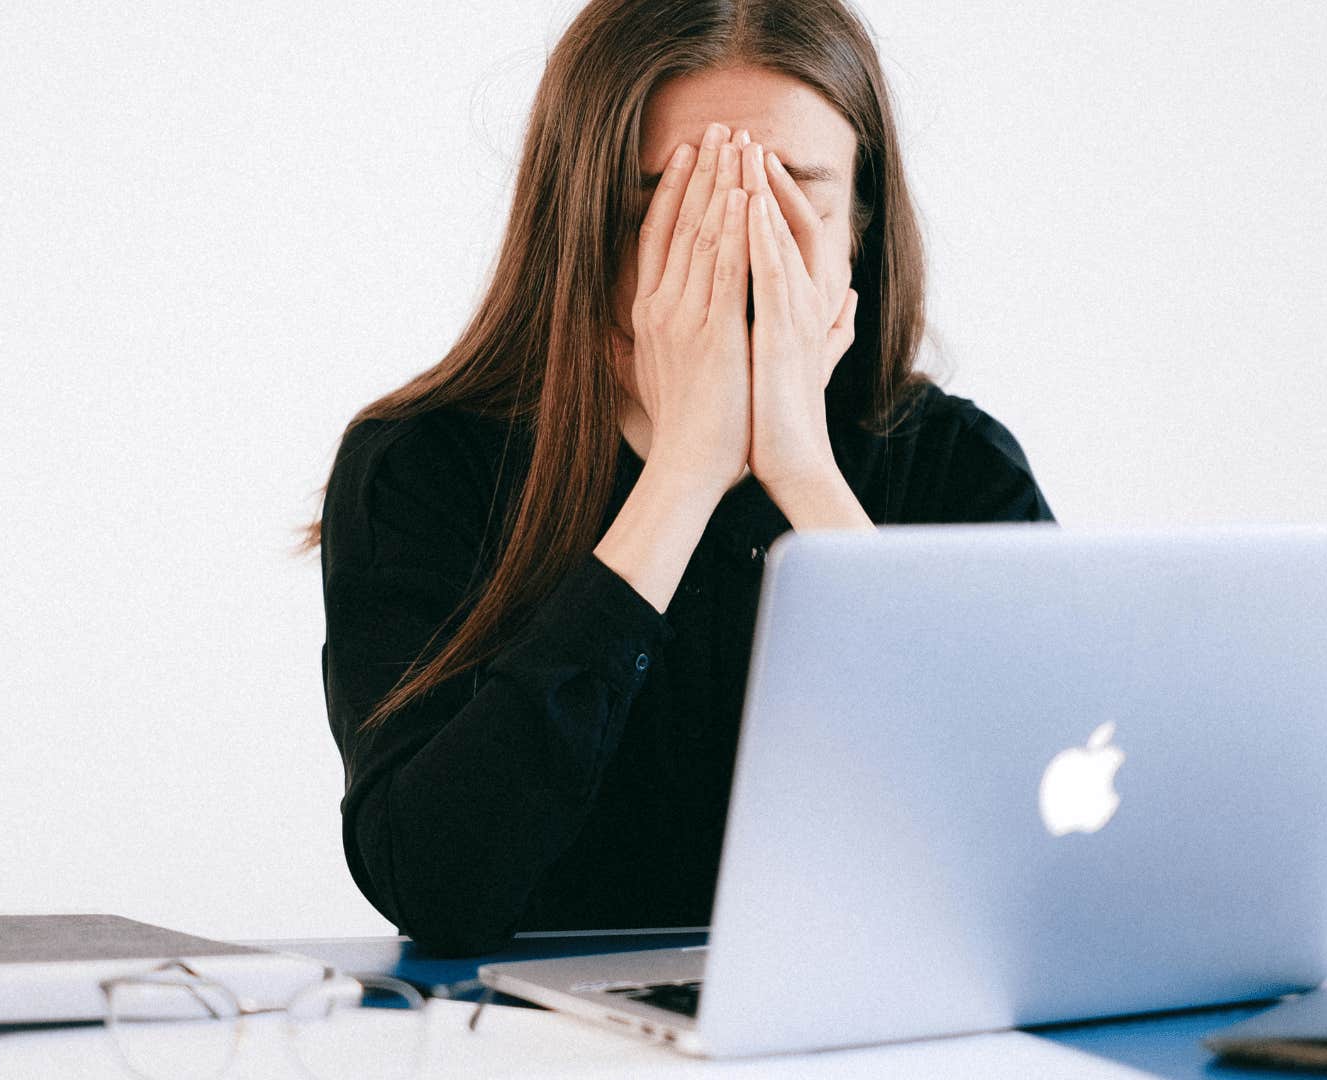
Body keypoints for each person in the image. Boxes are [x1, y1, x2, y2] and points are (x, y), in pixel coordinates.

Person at [298, 0, 1054, 957]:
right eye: (677, 200)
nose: (734, 247)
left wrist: (802, 472)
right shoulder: (421, 466)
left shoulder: (957, 465)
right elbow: (439, 884)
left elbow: (1034, 841)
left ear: (859, 221)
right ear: (583, 222)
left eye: (791, 196)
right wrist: (683, 477)